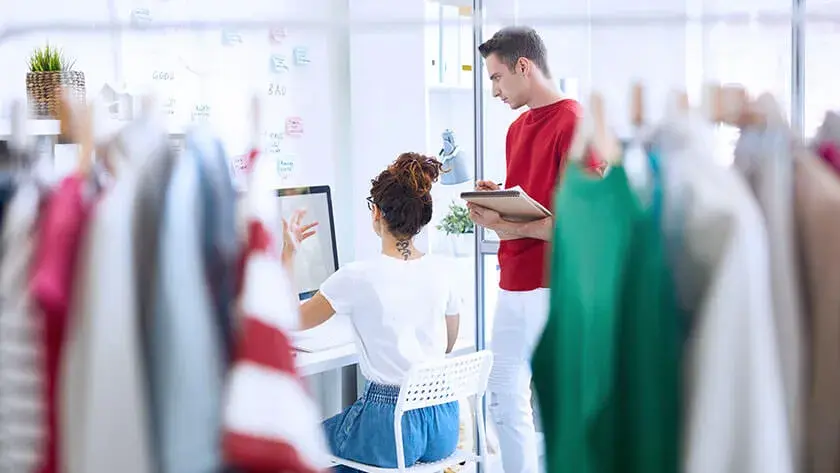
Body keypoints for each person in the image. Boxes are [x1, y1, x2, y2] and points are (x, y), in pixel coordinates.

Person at [468, 26, 599, 473]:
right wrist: (499, 197)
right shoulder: (516, 128)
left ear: (524, 66)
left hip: (551, 286)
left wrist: (505, 223)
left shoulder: (574, 122)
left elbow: (586, 225)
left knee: (561, 407)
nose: (494, 90)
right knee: (504, 403)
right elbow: (536, 200)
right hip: (512, 284)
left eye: (497, 77)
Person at [285, 152, 462, 471]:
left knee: (298, 442)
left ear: (376, 213)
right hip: (443, 423)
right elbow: (448, 344)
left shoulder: (356, 277)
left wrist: (287, 254)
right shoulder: (443, 269)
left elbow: (290, 319)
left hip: (391, 427)